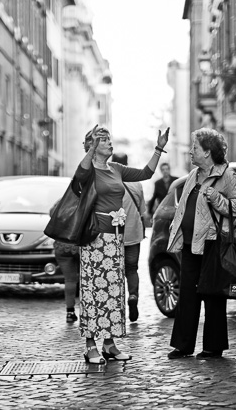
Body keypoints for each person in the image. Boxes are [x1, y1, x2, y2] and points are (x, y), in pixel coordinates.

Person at [75, 124, 169, 364]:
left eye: (108, 139)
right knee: (93, 292)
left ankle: (109, 344)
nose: (110, 143)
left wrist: (158, 148)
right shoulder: (88, 170)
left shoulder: (115, 168)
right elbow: (80, 176)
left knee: (114, 291)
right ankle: (90, 346)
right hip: (94, 240)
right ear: (93, 146)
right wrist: (91, 148)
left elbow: (146, 173)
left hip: (115, 240)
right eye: (103, 140)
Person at [166, 128, 236, 360]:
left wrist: (217, 198)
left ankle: (213, 347)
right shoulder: (193, 175)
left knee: (213, 296)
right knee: (187, 297)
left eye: (195, 148)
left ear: (208, 152)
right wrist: (176, 227)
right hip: (192, 244)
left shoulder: (227, 176)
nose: (191, 151)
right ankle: (183, 346)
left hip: (213, 243)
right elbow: (183, 205)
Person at [112, 153, 148, 322]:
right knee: (131, 269)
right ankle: (133, 297)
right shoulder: (137, 184)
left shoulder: (109, 183)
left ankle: (116, 307)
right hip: (133, 233)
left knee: (114, 272)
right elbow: (143, 211)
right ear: (127, 164)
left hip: (113, 235)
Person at [50, 201, 80, 323]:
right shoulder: (84, 202)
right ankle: (87, 312)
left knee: (70, 280)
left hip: (61, 246)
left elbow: (51, 214)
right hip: (80, 245)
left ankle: (70, 312)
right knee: (86, 279)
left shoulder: (60, 203)